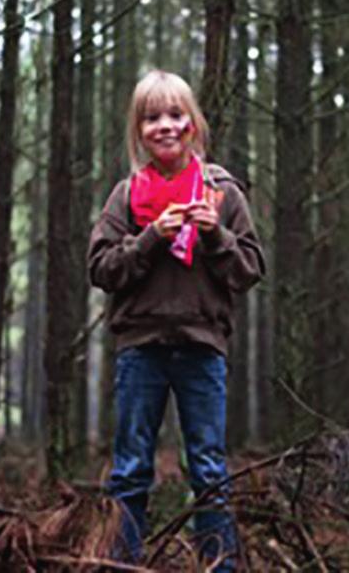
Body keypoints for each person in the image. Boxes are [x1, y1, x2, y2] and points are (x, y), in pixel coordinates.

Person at [87, 70, 265, 570]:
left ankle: (219, 566)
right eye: (152, 118)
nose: (164, 126)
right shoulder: (127, 195)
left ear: (193, 124)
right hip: (139, 350)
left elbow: (250, 269)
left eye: (175, 115)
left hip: (202, 349)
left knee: (208, 467)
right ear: (138, 130)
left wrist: (215, 236)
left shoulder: (220, 191)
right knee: (129, 470)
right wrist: (150, 238)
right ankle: (123, 563)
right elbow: (100, 268)